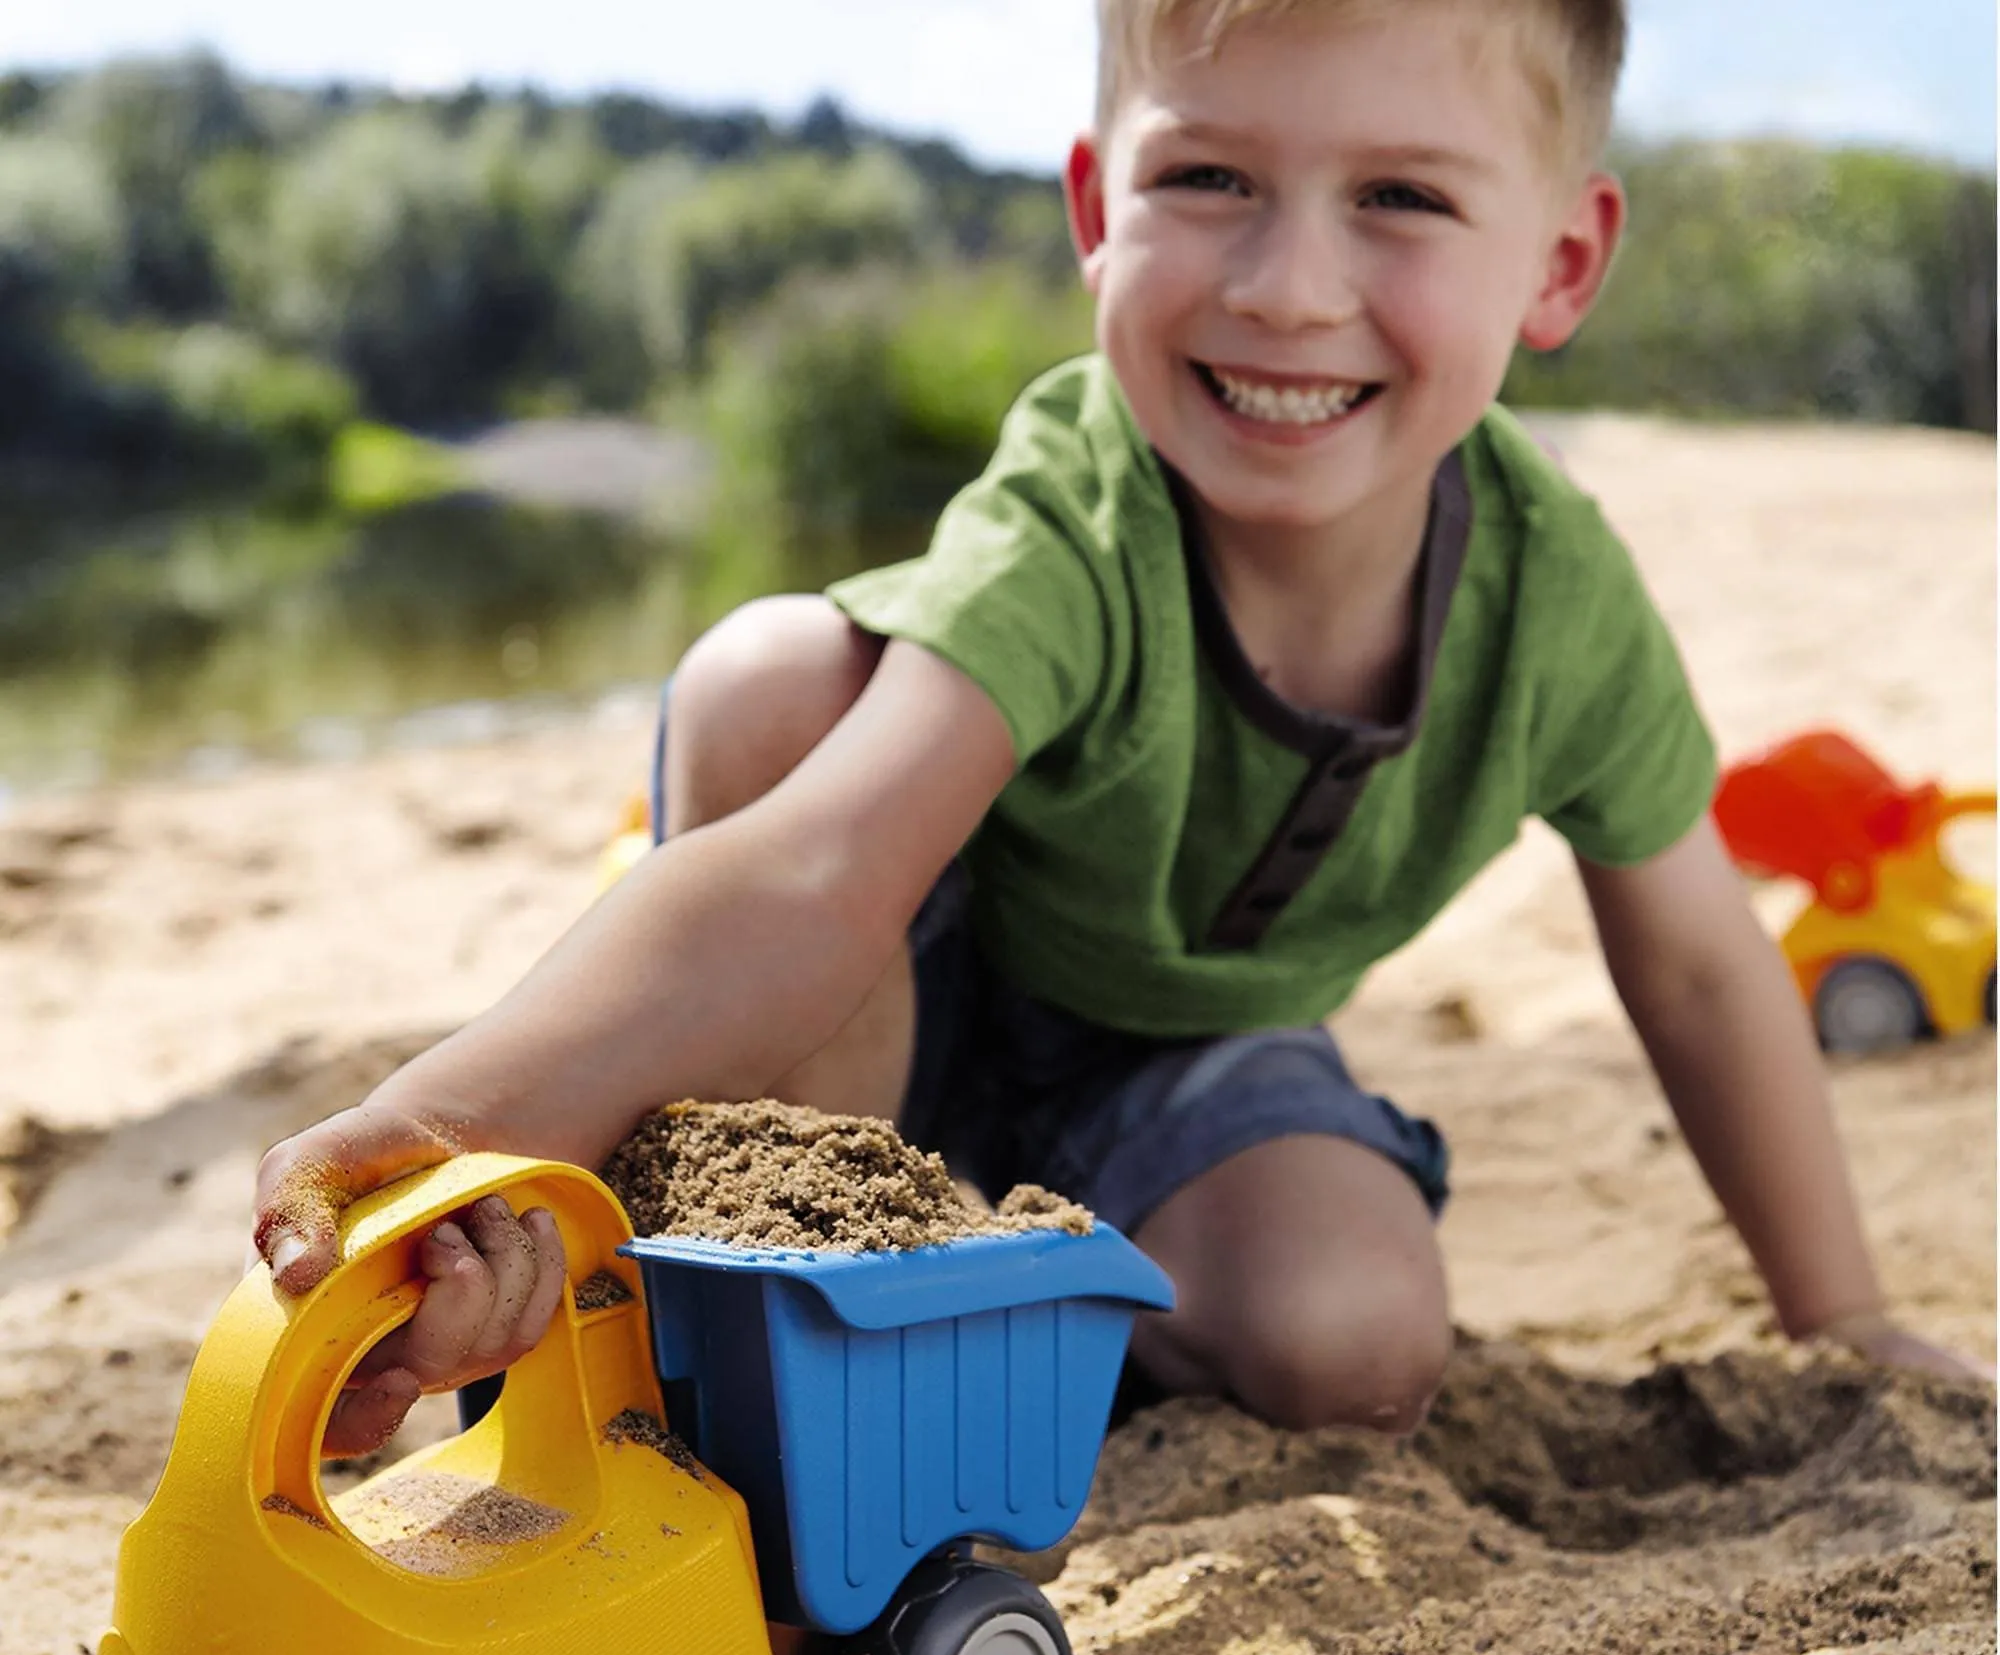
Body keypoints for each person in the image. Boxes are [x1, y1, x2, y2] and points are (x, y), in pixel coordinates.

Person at [255, 0, 1986, 1462]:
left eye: (1398, 197)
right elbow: (819, 880)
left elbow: (1698, 967)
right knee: (771, 683)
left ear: (1562, 259)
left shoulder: (1555, 602)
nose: (1290, 287)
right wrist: (453, 1128)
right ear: (1098, 206)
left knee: (1358, 1338)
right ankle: (718, 1293)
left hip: (1178, 1065)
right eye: (1208, 177)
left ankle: (1017, 1310)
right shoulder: (1084, 507)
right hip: (878, 1012)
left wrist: (1843, 1322)